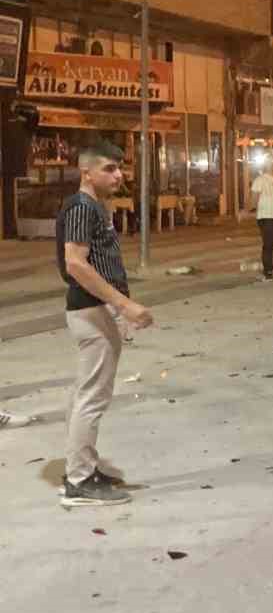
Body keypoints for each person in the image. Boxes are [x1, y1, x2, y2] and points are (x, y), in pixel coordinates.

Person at [57, 142, 154, 507]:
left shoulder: (94, 207)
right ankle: (79, 481)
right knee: (91, 397)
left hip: (96, 309)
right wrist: (124, 304)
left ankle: (82, 467)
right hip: (91, 309)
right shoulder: (83, 207)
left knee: (87, 392)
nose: (119, 175)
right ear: (87, 173)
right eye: (110, 169)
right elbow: (76, 264)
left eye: (119, 168)